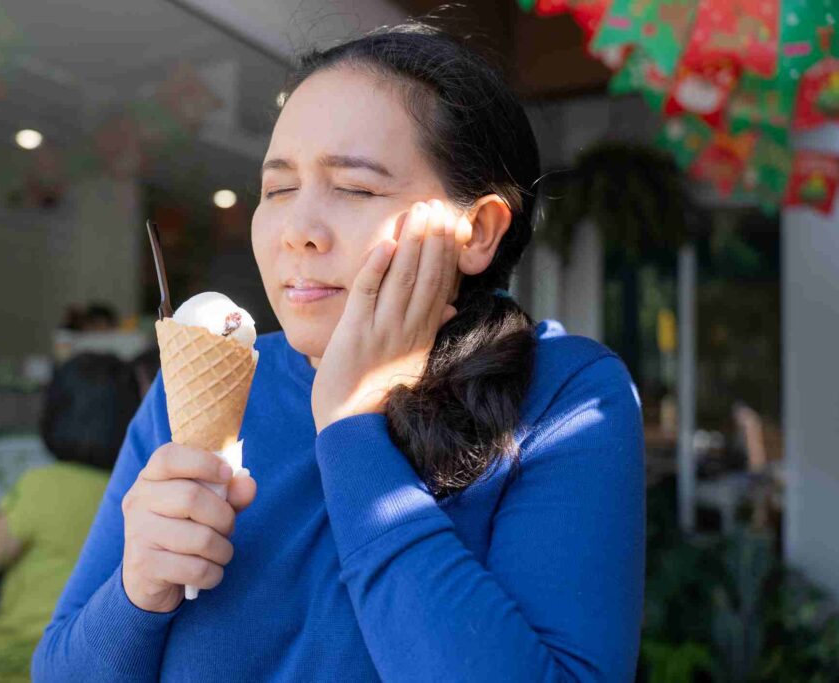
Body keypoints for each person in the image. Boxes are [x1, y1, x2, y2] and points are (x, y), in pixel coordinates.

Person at [34, 21, 645, 682]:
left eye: (354, 188)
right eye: (277, 189)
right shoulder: (205, 397)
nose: (298, 230)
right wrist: (136, 593)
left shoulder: (567, 395)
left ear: (478, 229)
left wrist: (353, 430)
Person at [0, 353, 140, 682]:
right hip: (85, 667)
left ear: (55, 411)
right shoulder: (135, 493)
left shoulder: (43, 486)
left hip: (14, 663)